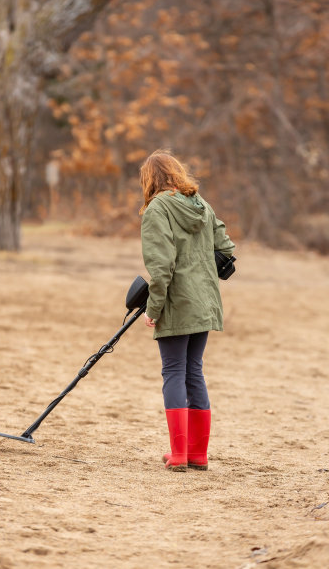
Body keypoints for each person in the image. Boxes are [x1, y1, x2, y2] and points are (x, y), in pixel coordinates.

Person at [140, 150, 235, 472]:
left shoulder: (157, 208)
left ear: (149, 179)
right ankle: (198, 455)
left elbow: (161, 264)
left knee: (174, 371)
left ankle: (179, 454)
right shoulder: (201, 205)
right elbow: (226, 249)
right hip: (205, 300)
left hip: (178, 302)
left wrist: (153, 307)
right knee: (193, 370)